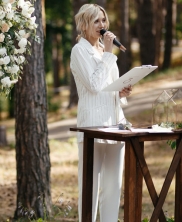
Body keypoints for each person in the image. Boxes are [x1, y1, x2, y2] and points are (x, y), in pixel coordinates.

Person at [70, 4, 132, 222]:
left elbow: (108, 87)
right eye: (96, 21)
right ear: (84, 24)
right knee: (90, 188)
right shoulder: (80, 51)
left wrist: (121, 91)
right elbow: (94, 85)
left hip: (115, 124)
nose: (102, 25)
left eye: (103, 20)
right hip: (92, 127)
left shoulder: (104, 52)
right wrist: (108, 54)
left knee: (113, 187)